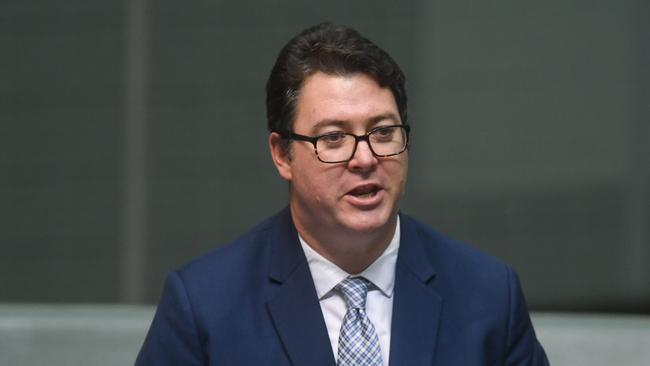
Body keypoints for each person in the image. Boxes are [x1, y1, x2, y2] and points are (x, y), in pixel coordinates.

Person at [136, 22, 549, 366]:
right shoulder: (205, 307)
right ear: (282, 155)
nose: (365, 158)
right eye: (334, 138)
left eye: (383, 132)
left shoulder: (489, 295)